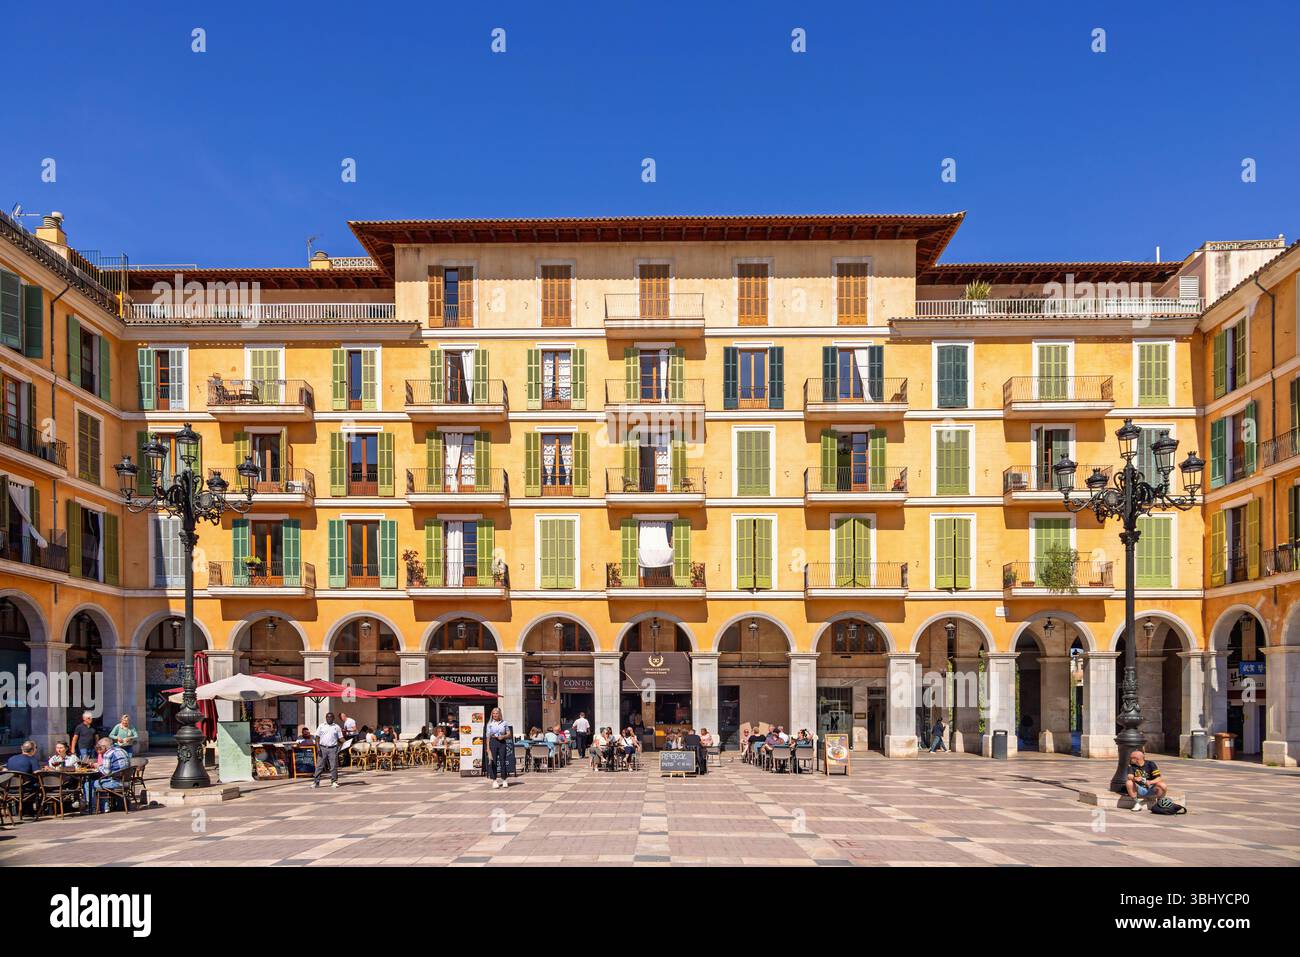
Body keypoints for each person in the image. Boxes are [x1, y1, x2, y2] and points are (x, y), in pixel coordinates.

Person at [89, 737, 130, 812]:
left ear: (104, 746)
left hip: (116, 782)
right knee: (102, 781)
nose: (99, 749)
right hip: (126, 781)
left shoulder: (108, 754)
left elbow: (106, 772)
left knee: (90, 784)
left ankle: (93, 808)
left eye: (99, 747)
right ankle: (105, 807)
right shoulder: (122, 750)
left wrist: (98, 766)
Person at [313, 712, 344, 789]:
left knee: (333, 766)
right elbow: (317, 737)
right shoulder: (321, 726)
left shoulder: (336, 727)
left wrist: (347, 742)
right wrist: (318, 747)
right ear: (326, 718)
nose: (329, 718)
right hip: (322, 748)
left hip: (333, 748)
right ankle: (316, 782)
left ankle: (334, 781)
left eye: (330, 717)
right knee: (319, 766)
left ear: (333, 718)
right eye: (327, 717)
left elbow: (340, 738)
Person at [484, 707, 513, 788]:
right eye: (493, 713)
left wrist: (503, 736)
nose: (495, 715)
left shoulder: (504, 723)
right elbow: (488, 736)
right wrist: (488, 748)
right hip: (493, 742)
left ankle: (504, 779)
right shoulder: (489, 724)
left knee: (503, 761)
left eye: (496, 713)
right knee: (493, 761)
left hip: (502, 742)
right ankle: (494, 780)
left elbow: (509, 733)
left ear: (499, 714)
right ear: (492, 714)